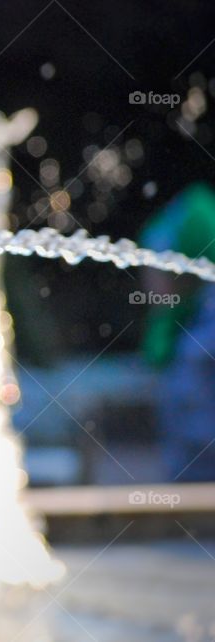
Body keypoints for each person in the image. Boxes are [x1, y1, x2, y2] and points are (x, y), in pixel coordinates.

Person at [140, 182, 215, 481]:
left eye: (154, 265)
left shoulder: (198, 346)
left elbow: (196, 447)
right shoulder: (186, 323)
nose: (145, 281)